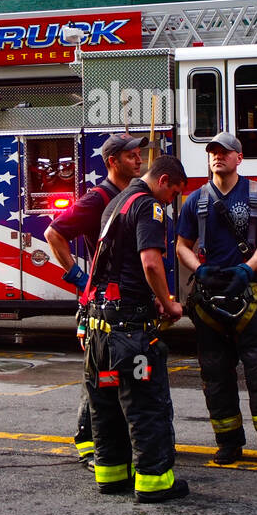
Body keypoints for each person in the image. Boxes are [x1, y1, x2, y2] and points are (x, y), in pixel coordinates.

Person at [175, 131, 257, 471]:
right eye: (212, 151)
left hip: (248, 296)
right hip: (209, 301)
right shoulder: (195, 199)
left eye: (225, 152)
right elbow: (182, 244)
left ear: (238, 158)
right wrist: (200, 269)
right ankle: (228, 443)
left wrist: (247, 269)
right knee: (215, 376)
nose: (217, 156)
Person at [82, 154, 189, 503]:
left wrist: (150, 297)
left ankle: (112, 475)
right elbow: (150, 262)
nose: (170, 202)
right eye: (173, 193)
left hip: (99, 331)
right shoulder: (149, 207)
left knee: (107, 406)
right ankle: (154, 482)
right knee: (146, 404)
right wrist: (169, 302)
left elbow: (118, 266)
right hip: (131, 334)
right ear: (163, 182)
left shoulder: (115, 202)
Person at [45, 133, 147, 466]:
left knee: (107, 374)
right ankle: (90, 443)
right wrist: (77, 276)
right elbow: (54, 234)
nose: (138, 159)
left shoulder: (131, 194)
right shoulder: (98, 199)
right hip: (100, 302)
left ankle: (103, 440)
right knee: (99, 376)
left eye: (139, 154)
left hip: (123, 300)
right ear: (111, 162)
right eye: (131, 155)